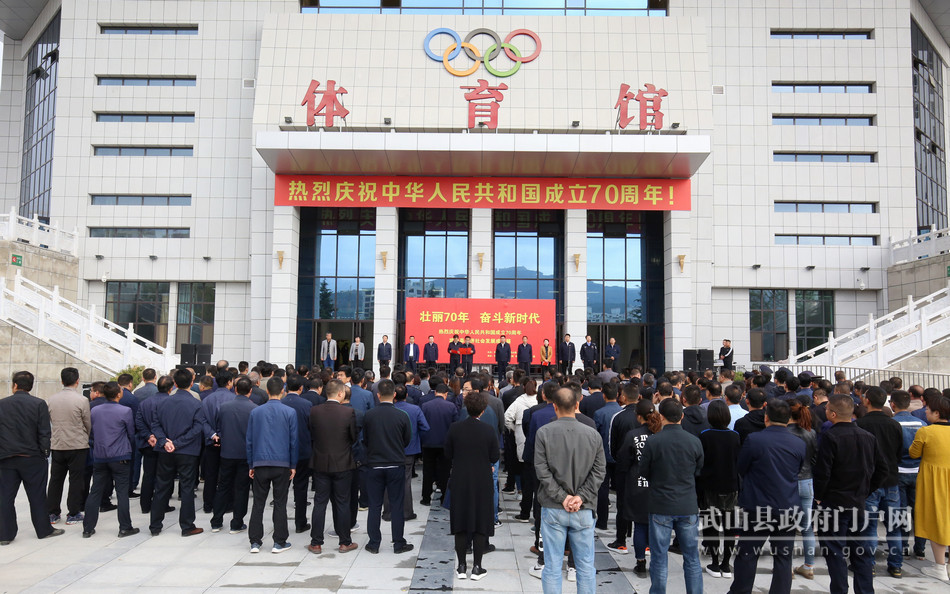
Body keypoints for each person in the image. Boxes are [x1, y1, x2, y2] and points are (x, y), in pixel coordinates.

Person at [813, 394, 889, 594]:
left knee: (834, 551)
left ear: (833, 413)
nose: (825, 411)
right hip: (858, 502)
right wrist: (866, 489)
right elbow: (883, 469)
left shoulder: (831, 437)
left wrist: (819, 496)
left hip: (834, 502)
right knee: (860, 551)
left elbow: (823, 471)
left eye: (827, 408)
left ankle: (840, 590)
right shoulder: (868, 437)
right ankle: (865, 591)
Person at [728, 400, 805, 594]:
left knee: (747, 554)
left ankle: (740, 591)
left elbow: (741, 468)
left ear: (766, 417)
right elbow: (797, 470)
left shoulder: (755, 439)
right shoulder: (799, 443)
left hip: (757, 505)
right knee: (783, 557)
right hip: (787, 505)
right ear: (788, 420)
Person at [535, 387, 606, 594]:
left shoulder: (544, 433)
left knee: (552, 566)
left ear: (554, 406)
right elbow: (599, 471)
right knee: (585, 567)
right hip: (583, 509)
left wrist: (562, 497)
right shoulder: (593, 434)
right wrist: (580, 497)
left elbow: (542, 470)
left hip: (553, 507)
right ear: (577, 405)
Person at [639, 398, 704, 594]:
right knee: (692, 557)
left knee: (659, 557)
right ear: (682, 416)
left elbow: (643, 471)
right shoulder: (694, 441)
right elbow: (698, 470)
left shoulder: (653, 441)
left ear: (661, 416)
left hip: (660, 504)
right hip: (687, 505)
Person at [0, 371, 65, 545]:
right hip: (32, 457)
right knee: (37, 495)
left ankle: (5, 534)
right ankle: (44, 530)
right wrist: (45, 453)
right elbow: (44, 432)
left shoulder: (2, 404)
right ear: (32, 386)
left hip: (6, 457)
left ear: (14, 385)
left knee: (5, 497)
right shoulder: (38, 404)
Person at [445, 391, 499, 581]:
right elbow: (495, 457)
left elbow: (447, 454)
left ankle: (461, 566)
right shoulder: (488, 430)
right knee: (479, 524)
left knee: (460, 523)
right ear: (483, 411)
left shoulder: (455, 428)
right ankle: (477, 567)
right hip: (482, 480)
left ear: (466, 407)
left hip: (460, 478)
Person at [149, 369, 207, 538]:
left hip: (166, 450)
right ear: (192, 383)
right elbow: (197, 428)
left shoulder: (162, 402)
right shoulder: (196, 403)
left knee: (161, 486)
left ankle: (155, 525)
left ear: (174, 383)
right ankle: (187, 525)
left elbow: (155, 425)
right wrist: (177, 443)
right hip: (187, 450)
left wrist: (165, 442)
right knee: (187, 488)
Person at [855, 385, 905, 578]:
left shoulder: (860, 424)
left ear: (867, 400)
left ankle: (870, 564)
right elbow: (898, 453)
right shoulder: (894, 424)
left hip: (869, 481)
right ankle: (896, 565)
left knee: (869, 526)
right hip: (891, 479)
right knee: (894, 526)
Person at [307, 378, 359, 554]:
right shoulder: (348, 412)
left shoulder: (315, 411)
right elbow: (353, 437)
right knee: (342, 502)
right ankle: (345, 541)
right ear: (340, 393)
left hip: (320, 461)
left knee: (320, 502)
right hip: (343, 462)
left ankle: (316, 543)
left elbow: (312, 433)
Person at [247, 377, 298, 554]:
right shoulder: (290, 412)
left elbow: (250, 441)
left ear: (267, 391)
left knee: (258, 503)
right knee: (280, 503)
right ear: (282, 391)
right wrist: (293, 464)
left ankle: (255, 541)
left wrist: (251, 463)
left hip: (260, 461)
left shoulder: (256, 412)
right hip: (282, 462)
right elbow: (293, 441)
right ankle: (279, 541)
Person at [362, 379, 413, 554]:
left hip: (374, 464)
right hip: (395, 464)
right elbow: (407, 439)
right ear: (394, 395)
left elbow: (365, 440)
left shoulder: (369, 415)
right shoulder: (402, 415)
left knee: (375, 505)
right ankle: (398, 542)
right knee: (396, 504)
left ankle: (374, 543)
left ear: (378, 395)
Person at [81, 382, 138, 538]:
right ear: (119, 394)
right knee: (121, 492)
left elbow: (90, 431)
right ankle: (125, 527)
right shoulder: (125, 411)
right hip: (120, 455)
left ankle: (87, 528)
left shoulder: (95, 410)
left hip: (100, 455)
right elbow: (131, 434)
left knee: (95, 491)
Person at [616, 399, 663, 577]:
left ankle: (640, 562)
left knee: (640, 525)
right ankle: (658, 563)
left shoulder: (633, 435)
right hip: (658, 485)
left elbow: (623, 460)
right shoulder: (661, 434)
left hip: (637, 484)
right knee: (657, 526)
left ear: (638, 416)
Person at [909, 395, 950, 582]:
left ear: (936, 413)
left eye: (928, 409)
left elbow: (914, 453)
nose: (925, 411)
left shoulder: (926, 432)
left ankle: (940, 567)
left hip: (935, 480)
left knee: (937, 520)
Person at [699, 400, 741, 579]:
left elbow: (701, 461)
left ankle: (715, 562)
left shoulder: (705, 435)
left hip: (710, 485)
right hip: (731, 485)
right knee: (730, 525)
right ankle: (726, 564)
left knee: (711, 524)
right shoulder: (735, 436)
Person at [47, 367, 92, 526]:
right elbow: (87, 422)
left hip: (58, 444)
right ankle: (73, 513)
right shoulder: (82, 400)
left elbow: (51, 420)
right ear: (77, 381)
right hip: (77, 444)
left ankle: (52, 512)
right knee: (76, 479)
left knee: (55, 480)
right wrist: (85, 437)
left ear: (62, 381)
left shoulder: (51, 399)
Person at [211, 376, 256, 534]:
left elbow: (219, 427)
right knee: (241, 489)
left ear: (235, 389)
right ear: (250, 391)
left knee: (223, 486)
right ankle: (237, 523)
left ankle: (216, 521)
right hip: (245, 454)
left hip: (227, 452)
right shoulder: (254, 409)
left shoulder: (224, 407)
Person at [890, 390, 928, 560]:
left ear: (893, 404)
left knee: (902, 511)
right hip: (919, 472)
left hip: (899, 472)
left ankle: (903, 546)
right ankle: (920, 548)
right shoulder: (922, 424)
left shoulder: (892, 424)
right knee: (919, 511)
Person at [787, 395, 819, 579]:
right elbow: (814, 458)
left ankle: (787, 567)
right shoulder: (810, 433)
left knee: (786, 526)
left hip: (788, 482)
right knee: (807, 527)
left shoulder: (784, 433)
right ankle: (809, 565)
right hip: (807, 481)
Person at [135, 374, 175, 515]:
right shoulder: (171, 403)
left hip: (148, 445)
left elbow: (139, 422)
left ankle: (145, 505)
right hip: (165, 444)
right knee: (164, 476)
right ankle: (162, 504)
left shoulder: (145, 403)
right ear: (171, 388)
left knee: (148, 475)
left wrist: (149, 436)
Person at [388, 385, 429, 521]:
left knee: (389, 480)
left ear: (394, 395)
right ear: (406, 396)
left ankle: (388, 512)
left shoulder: (389, 409)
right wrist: (416, 437)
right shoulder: (415, 409)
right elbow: (425, 427)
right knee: (405, 481)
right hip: (409, 449)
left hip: (390, 449)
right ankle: (406, 512)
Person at [281, 374, 314, 534]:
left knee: (281, 490)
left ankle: (280, 523)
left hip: (282, 453)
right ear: (301, 388)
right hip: (302, 451)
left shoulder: (279, 403)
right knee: (301, 488)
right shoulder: (307, 404)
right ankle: (300, 523)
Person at [421, 383, 458, 506]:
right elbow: (455, 424)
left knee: (427, 470)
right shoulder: (451, 406)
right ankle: (444, 497)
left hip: (428, 442)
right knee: (445, 471)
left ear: (435, 392)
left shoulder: (425, 405)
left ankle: (426, 497)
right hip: (445, 443)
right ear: (446, 394)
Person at [595, 383, 622, 539]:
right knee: (620, 490)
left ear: (604, 396)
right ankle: (623, 522)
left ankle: (602, 520)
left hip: (603, 456)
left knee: (602, 488)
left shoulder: (599, 413)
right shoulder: (622, 412)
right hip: (619, 457)